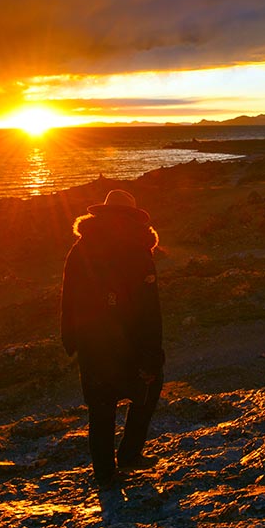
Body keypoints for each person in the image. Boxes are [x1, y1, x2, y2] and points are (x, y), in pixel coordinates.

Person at [61, 189, 164, 488]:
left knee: (101, 406)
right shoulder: (138, 249)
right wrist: (152, 352)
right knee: (148, 386)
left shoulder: (81, 248)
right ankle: (129, 454)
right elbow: (148, 308)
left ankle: (106, 473)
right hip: (129, 338)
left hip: (93, 339)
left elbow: (69, 296)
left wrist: (71, 338)